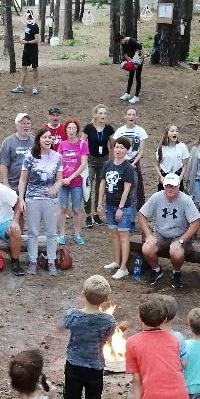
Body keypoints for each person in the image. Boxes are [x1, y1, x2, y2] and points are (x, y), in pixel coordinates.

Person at [62, 275, 117, 399]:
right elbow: (108, 340)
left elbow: (63, 325)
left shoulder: (72, 315)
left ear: (83, 294)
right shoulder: (108, 320)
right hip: (95, 367)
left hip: (73, 365)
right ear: (106, 299)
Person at [137, 172, 200, 290]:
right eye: (167, 186)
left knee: (175, 251)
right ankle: (156, 270)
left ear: (178, 186)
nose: (169, 189)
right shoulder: (157, 197)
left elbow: (196, 222)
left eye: (172, 186)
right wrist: (149, 235)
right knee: (147, 248)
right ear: (163, 186)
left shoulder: (185, 200)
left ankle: (176, 273)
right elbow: (141, 215)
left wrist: (182, 240)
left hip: (180, 235)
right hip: (161, 234)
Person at [18, 128, 63, 275]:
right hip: (33, 198)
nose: (48, 140)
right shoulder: (29, 157)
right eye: (45, 137)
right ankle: (32, 261)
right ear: (39, 140)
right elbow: (23, 180)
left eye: (50, 137)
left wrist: (54, 189)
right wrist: (21, 199)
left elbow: (59, 179)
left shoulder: (57, 157)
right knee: (33, 232)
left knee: (51, 232)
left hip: (51, 200)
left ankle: (51, 261)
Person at [97, 137, 138, 280]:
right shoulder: (108, 164)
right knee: (114, 234)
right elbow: (102, 184)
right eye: (117, 147)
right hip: (110, 204)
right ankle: (117, 261)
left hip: (124, 207)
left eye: (122, 148)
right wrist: (99, 203)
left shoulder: (128, 168)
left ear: (126, 151)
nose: (118, 150)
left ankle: (124, 268)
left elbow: (127, 190)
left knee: (124, 237)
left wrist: (121, 208)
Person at [57, 117, 89, 245]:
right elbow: (57, 162)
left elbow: (83, 164)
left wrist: (71, 178)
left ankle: (77, 234)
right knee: (62, 208)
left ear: (77, 130)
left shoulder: (82, 144)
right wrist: (61, 179)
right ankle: (62, 234)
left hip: (76, 182)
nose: (71, 130)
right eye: (69, 128)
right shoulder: (62, 145)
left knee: (76, 209)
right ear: (66, 130)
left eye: (74, 128)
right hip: (63, 182)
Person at [82, 105, 113, 227]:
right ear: (95, 114)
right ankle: (88, 215)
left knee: (100, 188)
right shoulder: (89, 128)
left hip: (104, 160)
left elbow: (112, 144)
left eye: (105, 113)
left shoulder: (108, 128)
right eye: (100, 113)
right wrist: (83, 158)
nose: (103, 115)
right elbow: (82, 143)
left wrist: (111, 160)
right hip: (91, 160)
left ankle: (97, 214)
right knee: (88, 186)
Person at [112, 107, 149, 205]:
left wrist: (133, 163)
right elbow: (116, 149)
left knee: (134, 188)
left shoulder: (140, 131)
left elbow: (141, 151)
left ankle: (132, 213)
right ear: (125, 116)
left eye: (133, 115)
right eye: (129, 114)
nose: (131, 117)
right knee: (119, 187)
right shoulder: (120, 131)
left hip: (134, 163)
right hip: (122, 162)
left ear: (136, 116)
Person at [0, 113, 34, 192]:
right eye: (23, 123)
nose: (26, 126)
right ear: (16, 125)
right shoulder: (8, 142)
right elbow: (3, 164)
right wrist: (5, 183)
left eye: (28, 123)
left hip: (31, 186)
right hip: (13, 185)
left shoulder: (35, 141)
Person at [11, 12, 41, 95]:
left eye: (26, 16)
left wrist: (26, 42)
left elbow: (37, 40)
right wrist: (22, 39)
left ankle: (34, 88)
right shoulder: (27, 25)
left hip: (33, 50)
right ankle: (20, 87)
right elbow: (26, 34)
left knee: (34, 68)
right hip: (26, 50)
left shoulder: (35, 26)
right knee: (24, 68)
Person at [118, 34, 144, 103]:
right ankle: (127, 93)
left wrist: (140, 60)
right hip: (132, 61)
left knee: (138, 77)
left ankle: (136, 96)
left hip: (138, 60)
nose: (121, 44)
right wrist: (129, 61)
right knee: (130, 76)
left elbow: (141, 49)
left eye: (120, 42)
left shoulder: (132, 41)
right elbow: (125, 54)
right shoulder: (124, 44)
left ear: (122, 39)